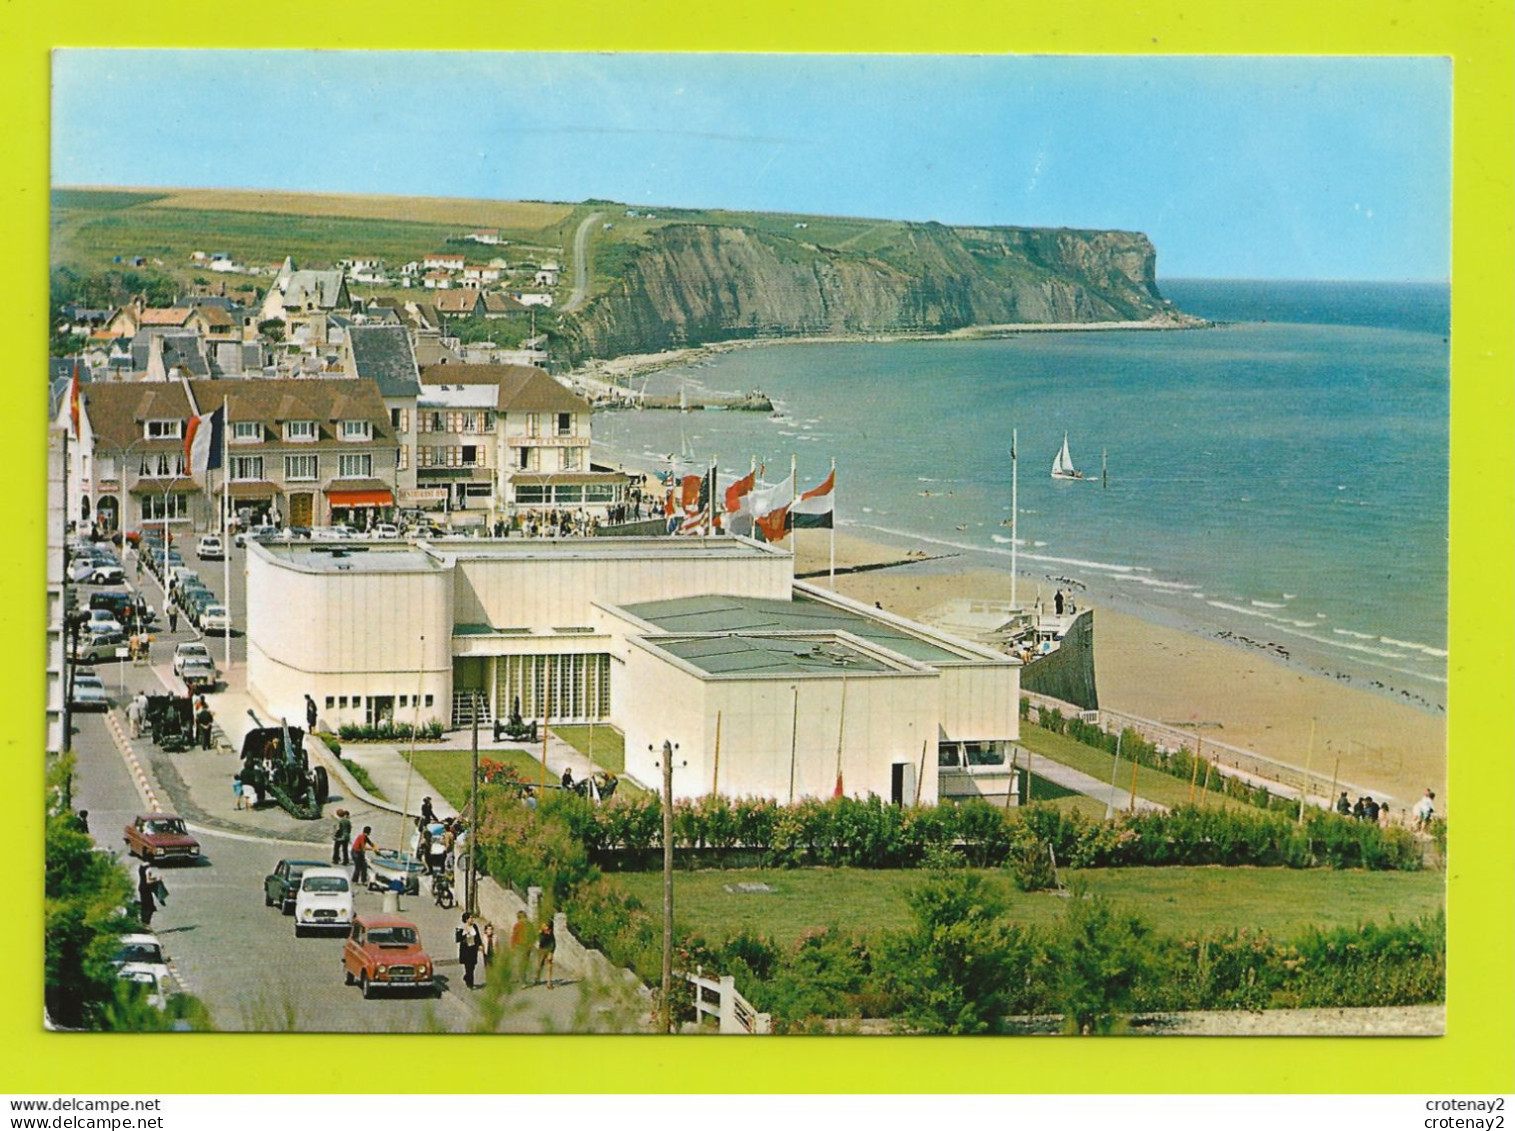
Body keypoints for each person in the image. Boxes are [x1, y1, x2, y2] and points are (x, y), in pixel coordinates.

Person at [456, 914, 482, 989]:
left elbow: (477, 937)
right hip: (466, 950)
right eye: (470, 918)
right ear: (466, 919)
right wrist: (464, 933)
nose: (472, 919)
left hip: (473, 949)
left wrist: (480, 945)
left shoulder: (474, 926)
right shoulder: (461, 928)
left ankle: (467, 977)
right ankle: (470, 984)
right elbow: (458, 939)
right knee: (468, 967)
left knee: (473, 966)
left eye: (472, 918)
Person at [510, 910, 532, 985]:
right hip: (519, 946)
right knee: (521, 963)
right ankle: (522, 980)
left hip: (527, 946)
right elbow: (514, 936)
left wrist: (531, 944)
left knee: (525, 963)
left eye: (524, 917)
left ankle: (523, 978)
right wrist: (513, 946)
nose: (524, 919)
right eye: (522, 918)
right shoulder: (517, 926)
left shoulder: (529, 925)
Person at [535, 918, 556, 989]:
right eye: (545, 925)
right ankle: (537, 977)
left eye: (547, 925)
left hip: (550, 947)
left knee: (549, 964)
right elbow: (539, 938)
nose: (546, 926)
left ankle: (549, 982)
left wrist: (552, 950)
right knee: (540, 964)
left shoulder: (550, 928)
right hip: (542, 948)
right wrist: (540, 932)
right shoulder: (540, 930)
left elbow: (553, 940)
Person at [138, 864, 160, 928]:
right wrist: (157, 880)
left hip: (141, 887)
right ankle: (146, 923)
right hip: (146, 889)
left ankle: (143, 922)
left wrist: (154, 878)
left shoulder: (141, 867)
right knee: (150, 907)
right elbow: (148, 881)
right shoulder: (148, 869)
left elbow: (145, 878)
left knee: (144, 905)